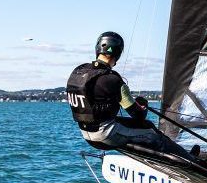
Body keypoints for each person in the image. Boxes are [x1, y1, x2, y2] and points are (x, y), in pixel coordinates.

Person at [67, 31, 193, 161]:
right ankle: (189, 160)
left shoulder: (79, 72)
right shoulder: (113, 79)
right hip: (106, 135)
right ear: (118, 53)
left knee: (142, 127)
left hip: (87, 135)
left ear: (98, 49)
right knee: (151, 131)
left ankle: (182, 156)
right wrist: (143, 105)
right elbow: (138, 115)